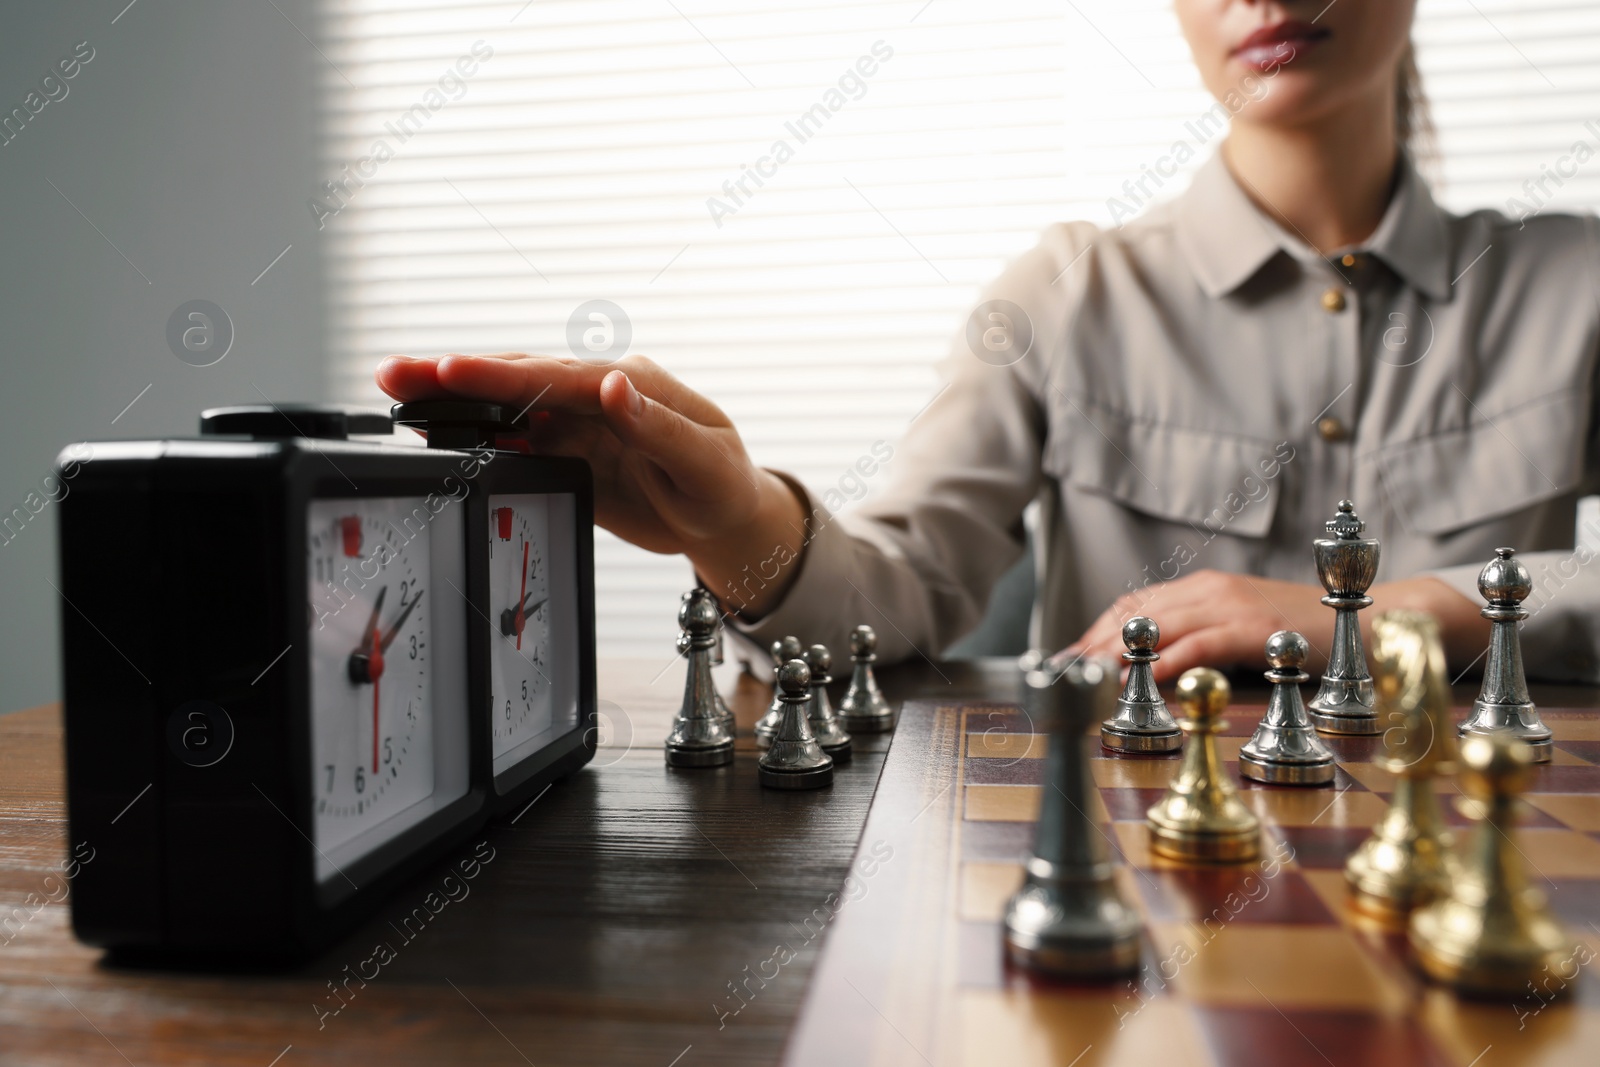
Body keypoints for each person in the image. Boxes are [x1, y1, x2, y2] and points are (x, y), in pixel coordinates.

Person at [377, 0, 1600, 683]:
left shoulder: (1576, 282)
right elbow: (903, 590)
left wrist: (1390, 612)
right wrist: (737, 522)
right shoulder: (1065, 295)